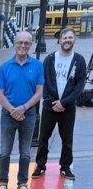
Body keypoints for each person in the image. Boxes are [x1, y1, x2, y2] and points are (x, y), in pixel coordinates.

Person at [32, 28, 87, 180]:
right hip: (50, 107)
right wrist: (51, 102)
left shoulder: (79, 60)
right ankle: (40, 166)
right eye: (65, 37)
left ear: (74, 39)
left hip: (67, 108)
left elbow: (79, 86)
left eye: (70, 37)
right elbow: (43, 83)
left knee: (67, 139)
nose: (67, 40)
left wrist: (64, 102)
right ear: (60, 40)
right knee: (43, 138)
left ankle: (65, 167)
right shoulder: (49, 59)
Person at [0, 31, 44, 189]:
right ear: (14, 44)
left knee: (25, 152)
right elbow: (0, 94)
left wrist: (23, 108)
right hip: (8, 114)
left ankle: (22, 182)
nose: (23, 46)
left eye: (26, 43)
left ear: (31, 45)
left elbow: (39, 93)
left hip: (28, 114)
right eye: (20, 42)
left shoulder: (37, 66)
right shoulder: (4, 67)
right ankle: (3, 181)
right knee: (4, 152)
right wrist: (13, 110)